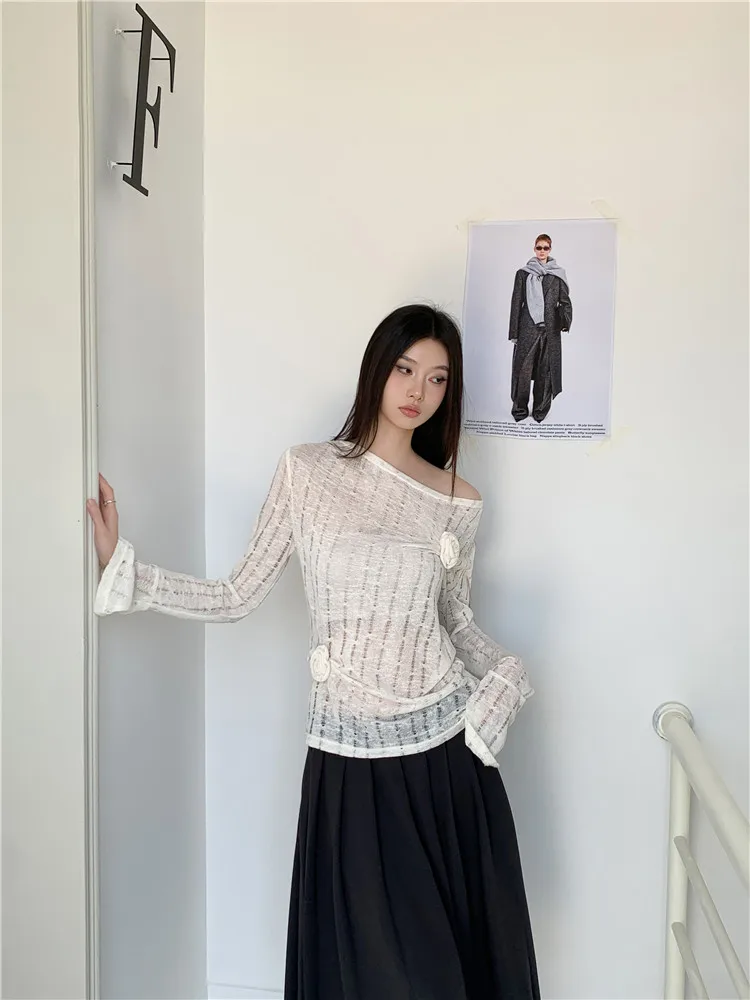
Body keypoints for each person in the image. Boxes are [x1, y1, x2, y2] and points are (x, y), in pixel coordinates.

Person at [87, 303, 539, 1000]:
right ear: (376, 369)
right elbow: (238, 594)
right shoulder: (307, 472)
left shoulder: (457, 500)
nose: (418, 391)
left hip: (444, 754)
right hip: (346, 759)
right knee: (374, 973)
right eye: (405, 368)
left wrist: (509, 673)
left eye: (438, 379)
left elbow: (455, 619)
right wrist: (129, 573)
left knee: (447, 972)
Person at [509, 234, 573, 423]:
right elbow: (516, 303)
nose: (542, 251)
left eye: (546, 248)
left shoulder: (557, 275)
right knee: (522, 370)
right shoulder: (523, 274)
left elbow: (565, 301)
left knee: (546, 372)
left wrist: (565, 321)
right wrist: (513, 332)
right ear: (534, 249)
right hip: (527, 328)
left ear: (550, 249)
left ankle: (540, 411)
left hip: (550, 330)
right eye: (539, 247)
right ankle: (520, 410)